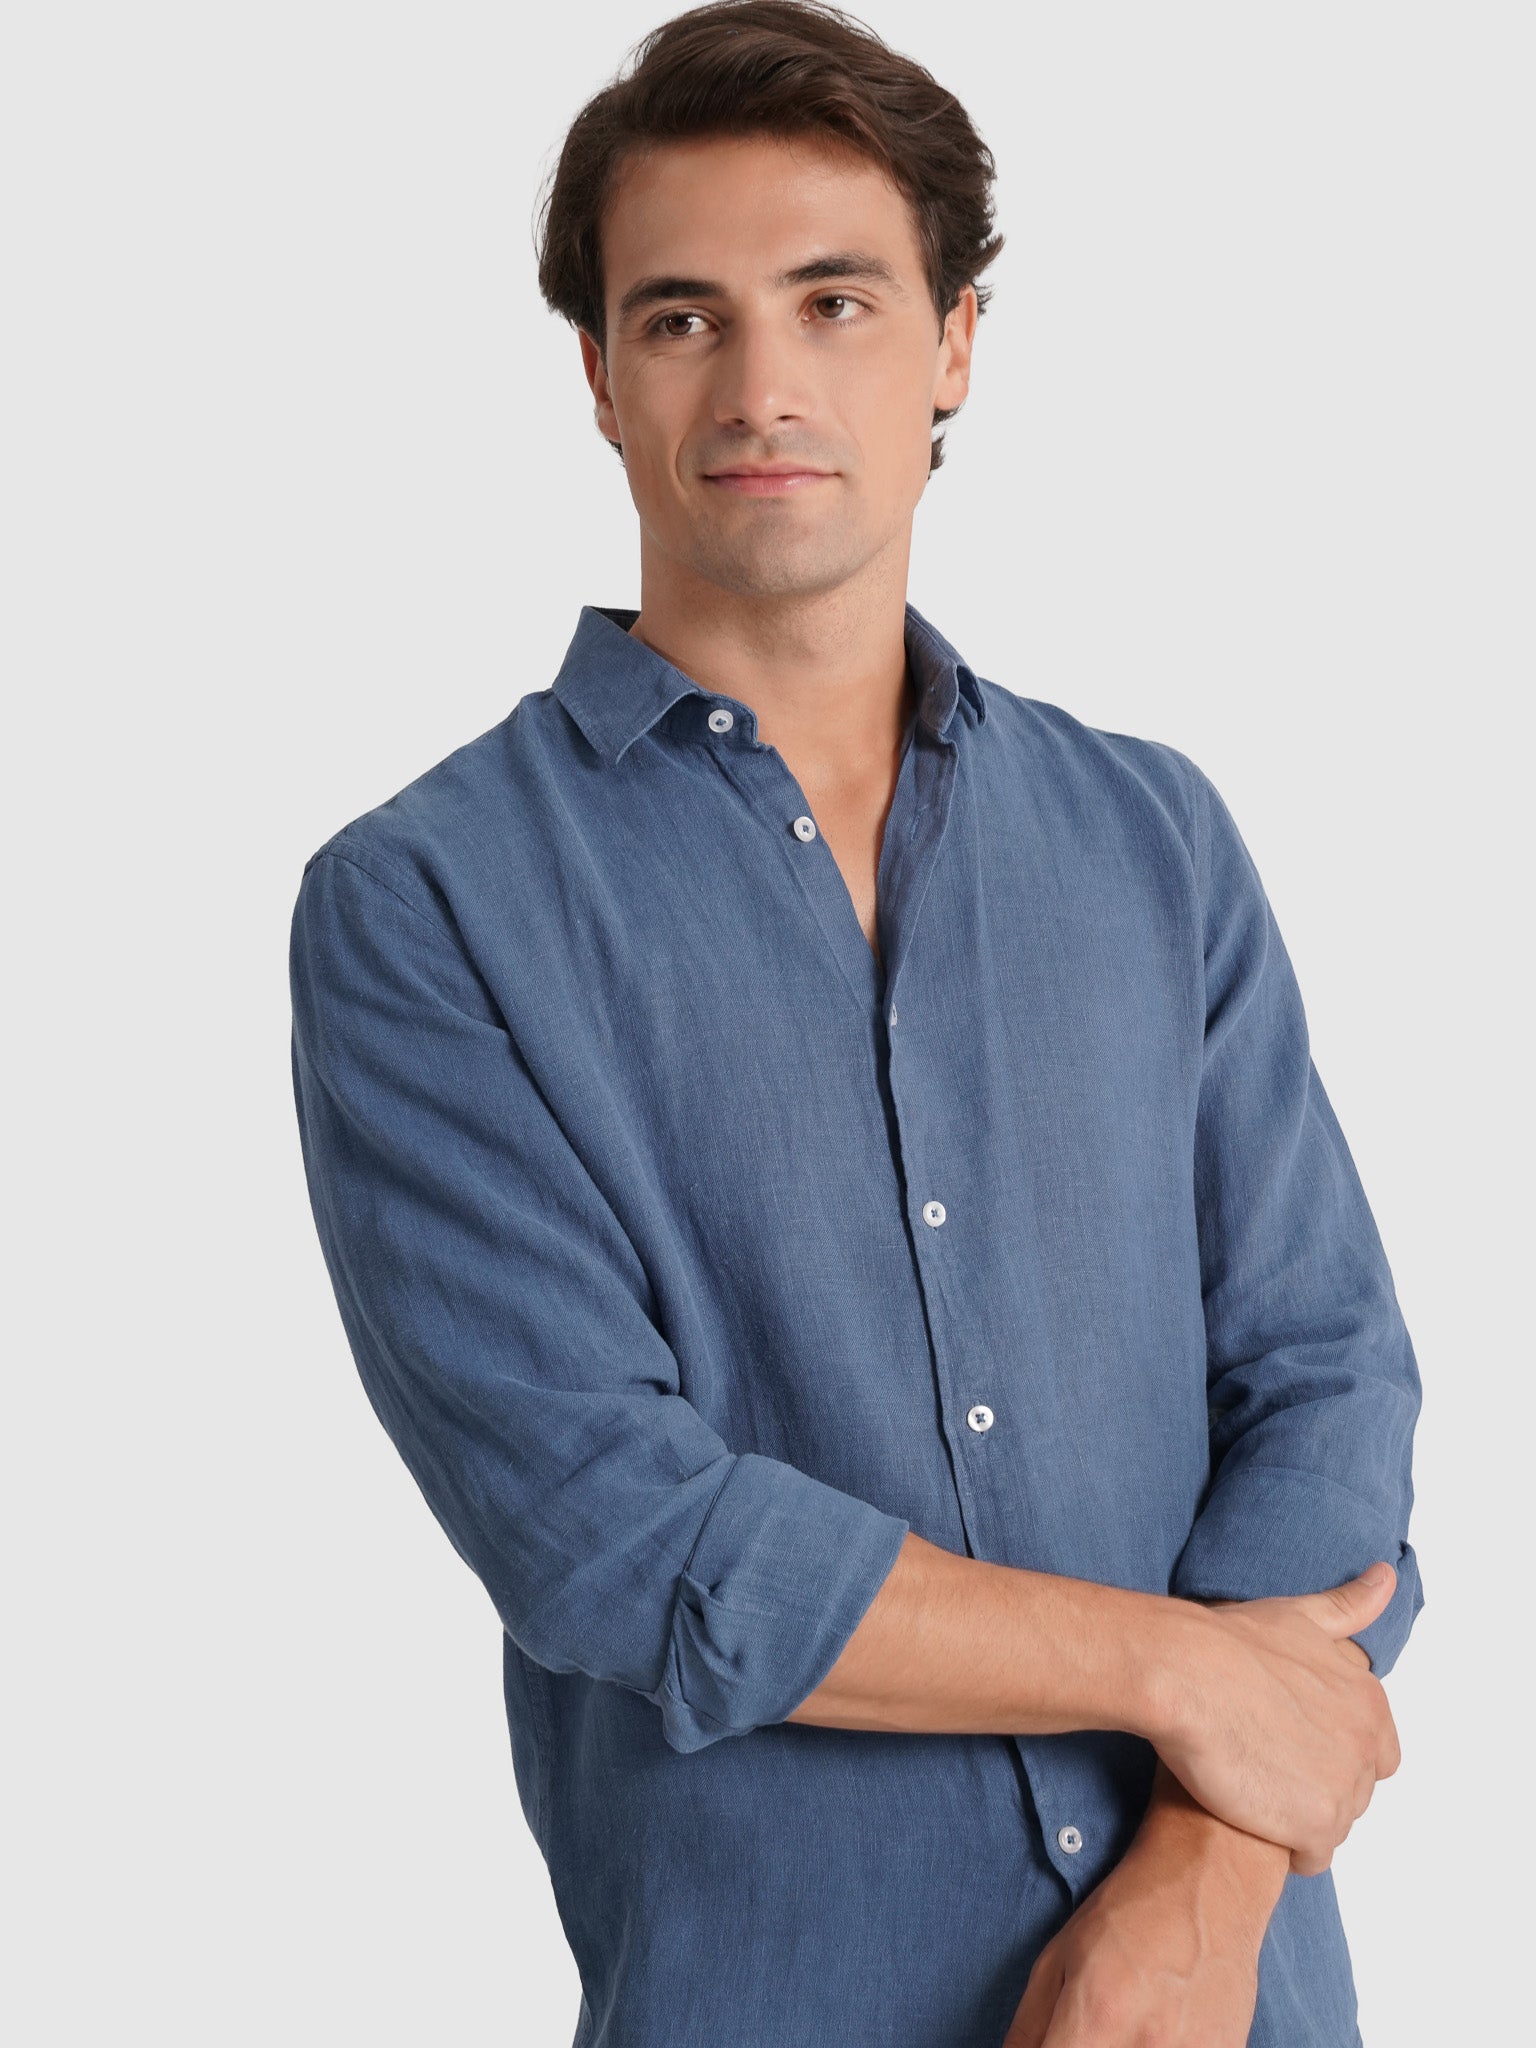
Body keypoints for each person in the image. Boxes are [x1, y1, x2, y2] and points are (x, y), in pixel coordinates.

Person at [288, 5, 1425, 2043]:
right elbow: (613, 1531)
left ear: (955, 344)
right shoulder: (426, 907)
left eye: (835, 301)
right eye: (683, 319)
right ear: (599, 377)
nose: (764, 388)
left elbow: (1326, 1390)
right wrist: (1178, 1673)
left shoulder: (1154, 840)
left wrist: (1205, 1876)